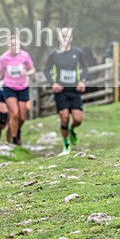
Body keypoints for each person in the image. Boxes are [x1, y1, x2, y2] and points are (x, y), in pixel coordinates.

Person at [43, 27, 88, 156]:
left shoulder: (77, 52)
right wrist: (53, 83)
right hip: (61, 90)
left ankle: (72, 129)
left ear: (71, 38)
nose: (65, 37)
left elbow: (85, 67)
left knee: (78, 119)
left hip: (74, 90)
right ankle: (66, 143)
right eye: (62, 35)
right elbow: (46, 70)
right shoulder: (54, 54)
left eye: (67, 35)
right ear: (59, 38)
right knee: (64, 118)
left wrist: (82, 81)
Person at [0, 35, 35, 145]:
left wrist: (27, 73)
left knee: (22, 117)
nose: (15, 47)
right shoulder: (4, 58)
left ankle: (17, 130)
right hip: (9, 87)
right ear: (9, 46)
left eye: (17, 44)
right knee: (15, 113)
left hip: (23, 87)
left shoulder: (25, 56)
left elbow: (32, 69)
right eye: (13, 45)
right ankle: (14, 139)